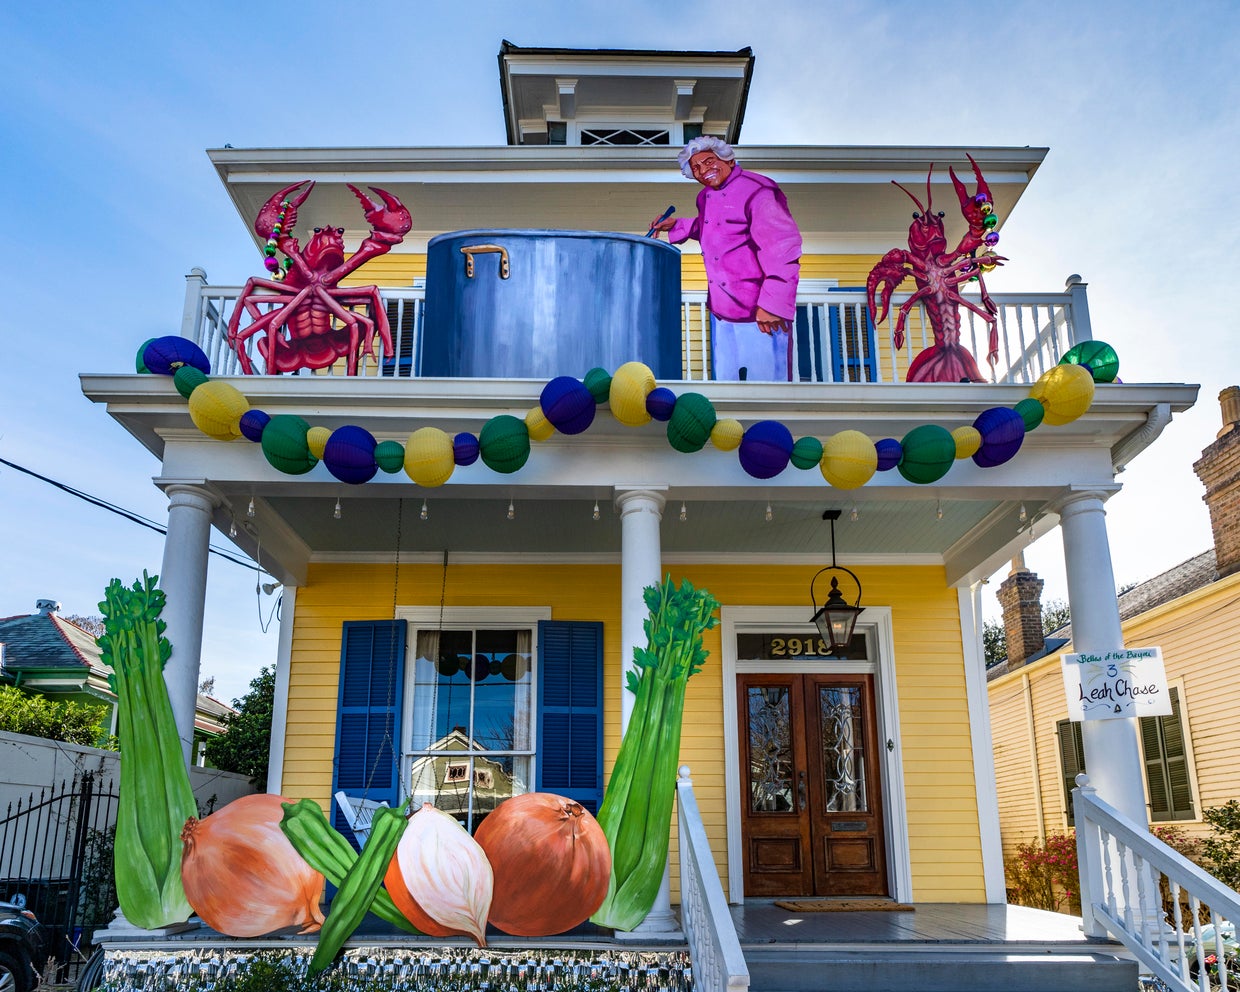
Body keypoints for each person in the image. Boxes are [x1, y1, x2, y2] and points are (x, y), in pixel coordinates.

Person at [650, 137, 802, 381]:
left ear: (728, 160)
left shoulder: (759, 190)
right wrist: (676, 225)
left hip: (760, 315)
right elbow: (713, 227)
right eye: (696, 167)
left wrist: (772, 305)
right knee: (726, 390)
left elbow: (782, 248)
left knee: (767, 393)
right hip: (721, 313)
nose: (703, 170)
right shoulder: (704, 197)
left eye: (709, 161)